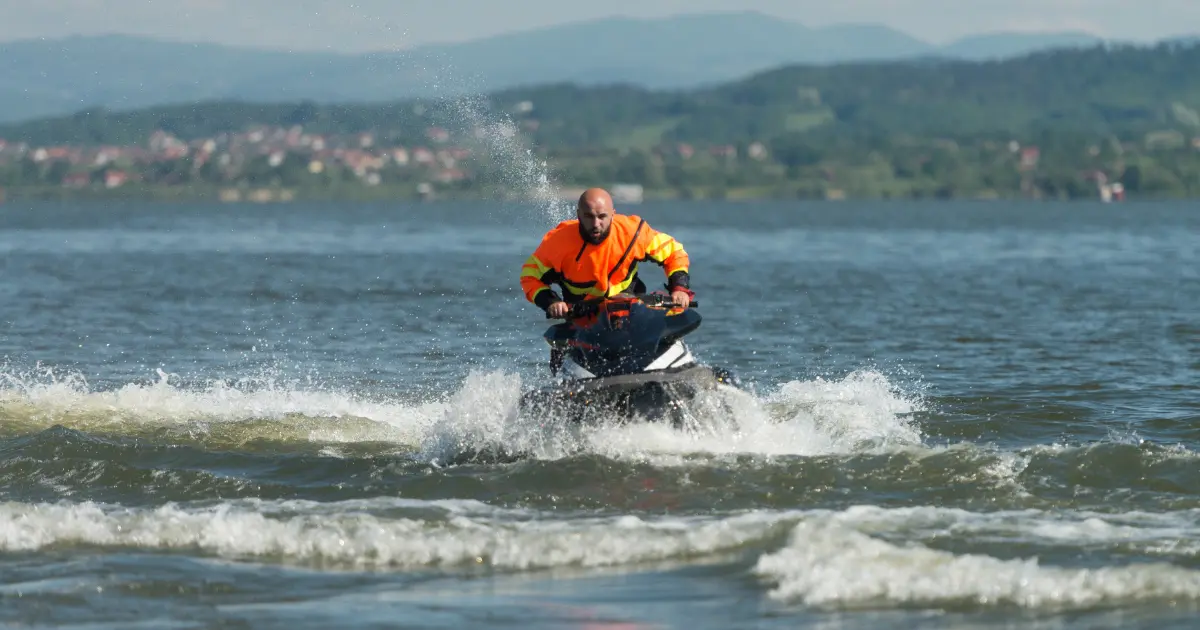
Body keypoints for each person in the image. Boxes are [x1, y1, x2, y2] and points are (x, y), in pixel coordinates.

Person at [520, 188, 694, 319]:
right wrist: (552, 302)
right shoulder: (557, 243)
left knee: (673, 314)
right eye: (589, 216)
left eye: (602, 216)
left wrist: (679, 289)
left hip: (630, 305)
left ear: (613, 214)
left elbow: (674, 251)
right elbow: (529, 276)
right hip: (582, 314)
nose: (596, 224)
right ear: (578, 215)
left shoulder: (633, 232)